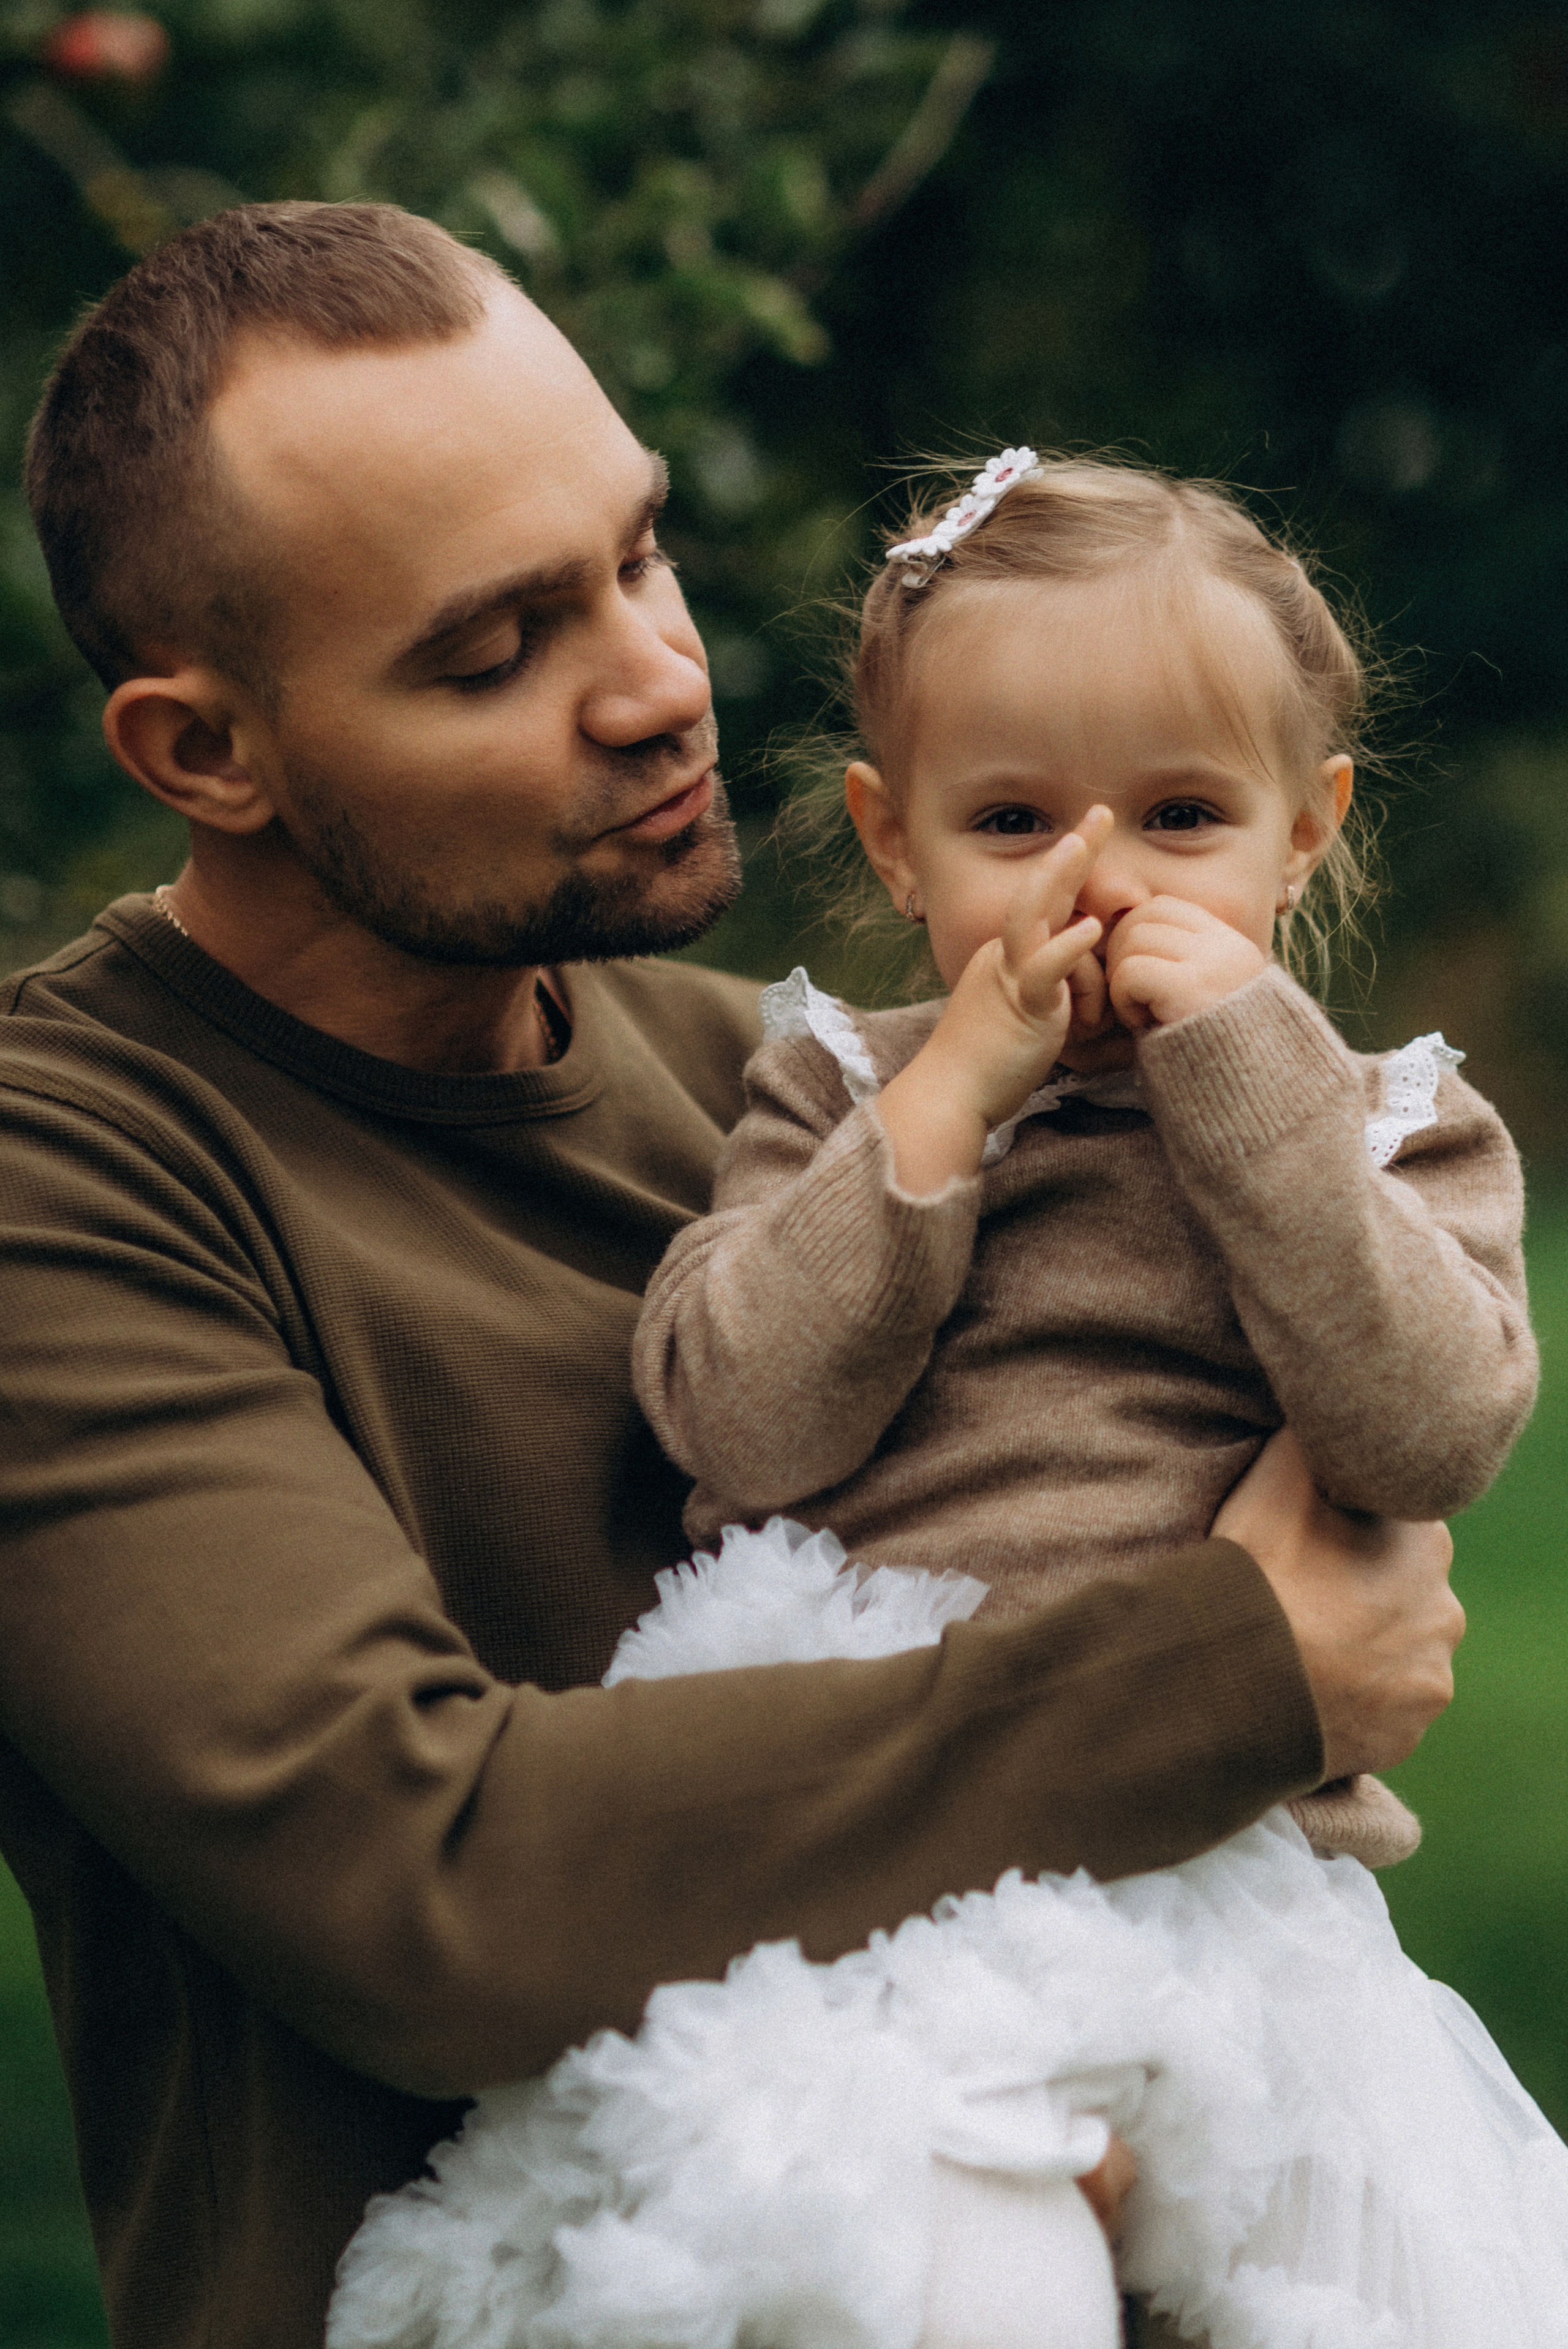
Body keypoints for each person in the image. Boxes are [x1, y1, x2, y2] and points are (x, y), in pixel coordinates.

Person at [1, 207, 1460, 2349]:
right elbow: (435, 1889)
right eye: (496, 650)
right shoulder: (80, 1178)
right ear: (204, 752)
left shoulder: (776, 1093)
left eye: (640, 554)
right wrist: (1231, 1673)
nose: (660, 677)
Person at [322, 453, 1559, 2348]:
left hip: (1233, 1863)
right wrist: (941, 1116)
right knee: (945, 2258)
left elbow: (1428, 1431)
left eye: (1181, 814)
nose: (1100, 876)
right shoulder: (830, 1090)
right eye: (1012, 815)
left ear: (1301, 836)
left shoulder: (1387, 1124)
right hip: (872, 1814)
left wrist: (1243, 1079)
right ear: (895, 846)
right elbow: (740, 1423)